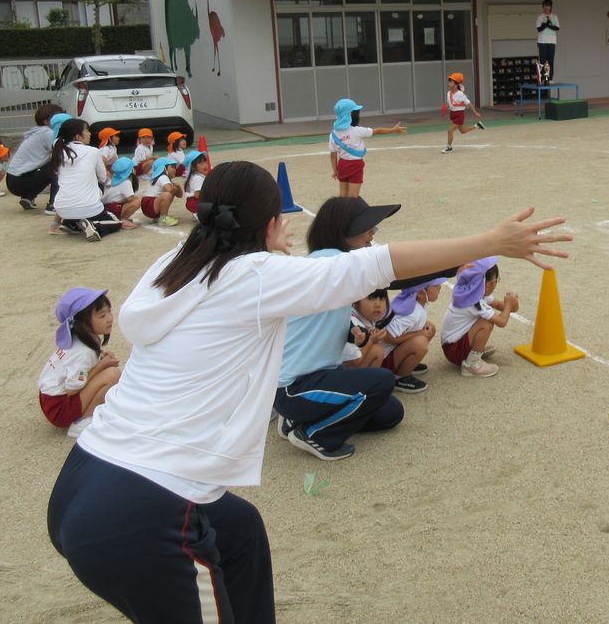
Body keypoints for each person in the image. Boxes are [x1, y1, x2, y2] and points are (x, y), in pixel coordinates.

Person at [47, 160, 568, 621]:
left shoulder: (174, 265)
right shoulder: (255, 276)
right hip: (142, 513)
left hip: (82, 481)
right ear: (269, 224)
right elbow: (379, 265)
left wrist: (263, 241)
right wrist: (491, 244)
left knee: (240, 531)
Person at [274, 195, 406, 461]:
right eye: (366, 226)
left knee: (391, 412)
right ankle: (313, 433)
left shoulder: (335, 263)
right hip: (294, 387)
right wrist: (457, 261)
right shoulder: (332, 264)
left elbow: (319, 321)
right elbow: (401, 271)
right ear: (342, 230)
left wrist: (351, 335)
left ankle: (295, 420)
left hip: (316, 377)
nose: (373, 232)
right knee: (381, 382)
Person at [39, 287, 122, 439]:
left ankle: (87, 414)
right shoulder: (83, 351)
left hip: (51, 400)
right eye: (102, 315)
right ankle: (81, 422)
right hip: (59, 408)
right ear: (83, 323)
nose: (110, 318)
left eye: (109, 311)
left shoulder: (77, 339)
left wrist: (100, 361)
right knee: (113, 374)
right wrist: (101, 366)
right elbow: (72, 389)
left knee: (108, 374)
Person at [440, 258, 520, 378]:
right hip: (454, 350)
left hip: (452, 345)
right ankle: (472, 364)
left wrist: (512, 304)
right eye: (495, 281)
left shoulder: (471, 293)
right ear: (487, 284)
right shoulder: (475, 303)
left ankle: (473, 353)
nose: (494, 285)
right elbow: (502, 322)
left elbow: (500, 305)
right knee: (486, 323)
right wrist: (508, 305)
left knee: (485, 319)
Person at [51, 118, 124, 242]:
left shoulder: (58, 151)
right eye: (87, 130)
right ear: (78, 136)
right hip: (89, 208)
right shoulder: (93, 151)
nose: (90, 133)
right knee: (116, 222)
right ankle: (94, 226)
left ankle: (71, 223)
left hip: (61, 209)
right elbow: (102, 178)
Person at [328, 97, 407, 198]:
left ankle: (340, 213)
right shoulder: (357, 131)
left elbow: (333, 154)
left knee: (343, 196)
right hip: (355, 165)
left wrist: (335, 170)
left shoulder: (333, 135)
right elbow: (377, 131)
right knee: (353, 197)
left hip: (342, 165)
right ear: (351, 115)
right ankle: (351, 213)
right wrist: (393, 130)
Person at [379, 279, 443, 393]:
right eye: (436, 285)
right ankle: (399, 377)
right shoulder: (412, 313)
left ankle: (406, 364)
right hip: (383, 361)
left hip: (390, 353)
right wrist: (419, 333)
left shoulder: (413, 303)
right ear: (421, 293)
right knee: (421, 342)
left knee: (430, 327)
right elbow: (389, 337)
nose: (440, 287)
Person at [5, 103, 64, 213]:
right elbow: (60, 153)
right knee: (57, 166)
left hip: (13, 179)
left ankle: (28, 196)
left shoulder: (38, 132)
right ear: (47, 121)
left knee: (49, 167)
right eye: (57, 118)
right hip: (20, 181)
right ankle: (53, 204)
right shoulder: (48, 133)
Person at [346, 290, 390, 369]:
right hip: (341, 372)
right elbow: (355, 361)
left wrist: (372, 335)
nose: (377, 305)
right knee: (377, 351)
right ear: (356, 301)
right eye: (371, 298)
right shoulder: (353, 324)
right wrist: (371, 340)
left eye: (382, 298)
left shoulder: (367, 318)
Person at [443, 72, 484, 153]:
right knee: (463, 131)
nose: (449, 84)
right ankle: (477, 126)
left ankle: (449, 147)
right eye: (449, 82)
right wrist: (445, 108)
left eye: (451, 82)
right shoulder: (448, 93)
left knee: (450, 130)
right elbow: (450, 103)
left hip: (459, 115)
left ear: (455, 84)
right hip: (453, 114)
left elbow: (469, 103)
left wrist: (475, 113)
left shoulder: (460, 94)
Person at [100, 157, 141, 229]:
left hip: (106, 207)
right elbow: (130, 198)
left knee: (133, 199)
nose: (135, 169)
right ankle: (123, 220)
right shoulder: (126, 182)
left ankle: (121, 218)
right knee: (136, 201)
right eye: (133, 168)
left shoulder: (115, 179)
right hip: (112, 208)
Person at [141, 157, 183, 226]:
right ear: (164, 168)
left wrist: (177, 186)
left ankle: (160, 216)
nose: (175, 170)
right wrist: (175, 188)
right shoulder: (163, 177)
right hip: (149, 204)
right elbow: (169, 190)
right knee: (168, 194)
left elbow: (179, 195)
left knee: (169, 193)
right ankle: (163, 218)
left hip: (149, 204)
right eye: (172, 167)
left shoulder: (162, 178)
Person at [535, 0, 561, 81]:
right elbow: (539, 29)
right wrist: (546, 24)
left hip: (552, 42)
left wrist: (548, 25)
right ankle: (543, 78)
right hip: (542, 42)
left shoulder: (554, 16)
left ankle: (550, 78)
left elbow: (557, 28)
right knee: (543, 60)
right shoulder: (540, 16)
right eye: (545, 6)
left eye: (548, 6)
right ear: (543, 7)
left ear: (551, 7)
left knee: (550, 60)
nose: (547, 8)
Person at [181, 149, 209, 217]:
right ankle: (198, 214)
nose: (205, 165)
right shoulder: (198, 178)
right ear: (193, 167)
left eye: (205, 162)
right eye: (201, 164)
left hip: (193, 202)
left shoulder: (197, 175)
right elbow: (197, 195)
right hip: (194, 202)